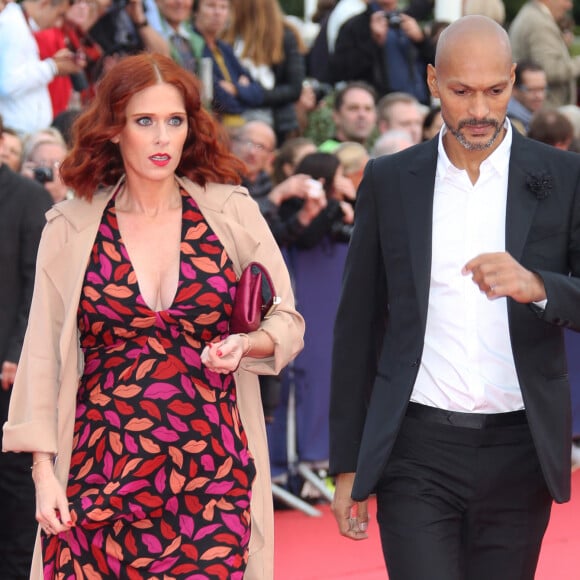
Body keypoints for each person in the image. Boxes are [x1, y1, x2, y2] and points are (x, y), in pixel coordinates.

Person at [2, 52, 304, 579]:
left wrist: (246, 345)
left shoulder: (230, 211)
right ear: (115, 128)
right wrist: (43, 472)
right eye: (145, 121)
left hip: (211, 473)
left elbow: (287, 320)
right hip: (99, 475)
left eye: (175, 121)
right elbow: (42, 356)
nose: (163, 138)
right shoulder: (70, 227)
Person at [329, 15, 580, 580]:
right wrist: (347, 466)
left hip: (521, 450)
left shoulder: (564, 177)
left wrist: (539, 287)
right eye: (462, 92)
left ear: (513, 81)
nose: (479, 111)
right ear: (433, 82)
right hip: (415, 450)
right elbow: (356, 326)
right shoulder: (390, 180)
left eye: (495, 91)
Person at [0, 113, 53, 579]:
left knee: (14, 497)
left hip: (8, 377)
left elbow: (36, 284)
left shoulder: (27, 197)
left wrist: (17, 353)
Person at [222, 0, 307, 144]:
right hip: (233, 122)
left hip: (276, 124)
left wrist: (249, 94)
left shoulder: (285, 36)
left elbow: (294, 89)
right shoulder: (227, 35)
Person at [0, 0, 84, 136]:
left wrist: (54, 63)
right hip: (16, 133)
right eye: (59, 15)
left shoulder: (19, 24)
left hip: (25, 132)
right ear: (45, 3)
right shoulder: (13, 25)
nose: (58, 23)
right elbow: (7, 83)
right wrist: (53, 67)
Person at [331, 0, 434, 105]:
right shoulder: (355, 25)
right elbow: (341, 71)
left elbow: (436, 65)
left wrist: (421, 41)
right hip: (380, 107)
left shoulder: (410, 20)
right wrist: (373, 42)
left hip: (419, 105)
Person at [193, 0, 264, 130]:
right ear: (196, 11)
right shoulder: (193, 47)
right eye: (211, 5)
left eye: (223, 7)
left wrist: (235, 89)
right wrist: (243, 91)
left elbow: (258, 93)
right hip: (216, 126)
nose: (218, 13)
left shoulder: (225, 48)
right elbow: (222, 100)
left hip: (240, 123)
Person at [509, 0, 580, 108]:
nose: (569, 6)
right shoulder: (540, 23)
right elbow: (550, 70)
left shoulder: (531, 16)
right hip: (547, 112)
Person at [319, 81, 378, 153]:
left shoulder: (376, 156)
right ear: (336, 116)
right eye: (353, 108)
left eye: (368, 109)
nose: (362, 115)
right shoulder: (325, 156)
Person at [507, 60, 548, 134]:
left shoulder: (534, 118)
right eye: (531, 90)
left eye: (542, 89)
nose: (539, 96)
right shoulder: (509, 125)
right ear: (514, 89)